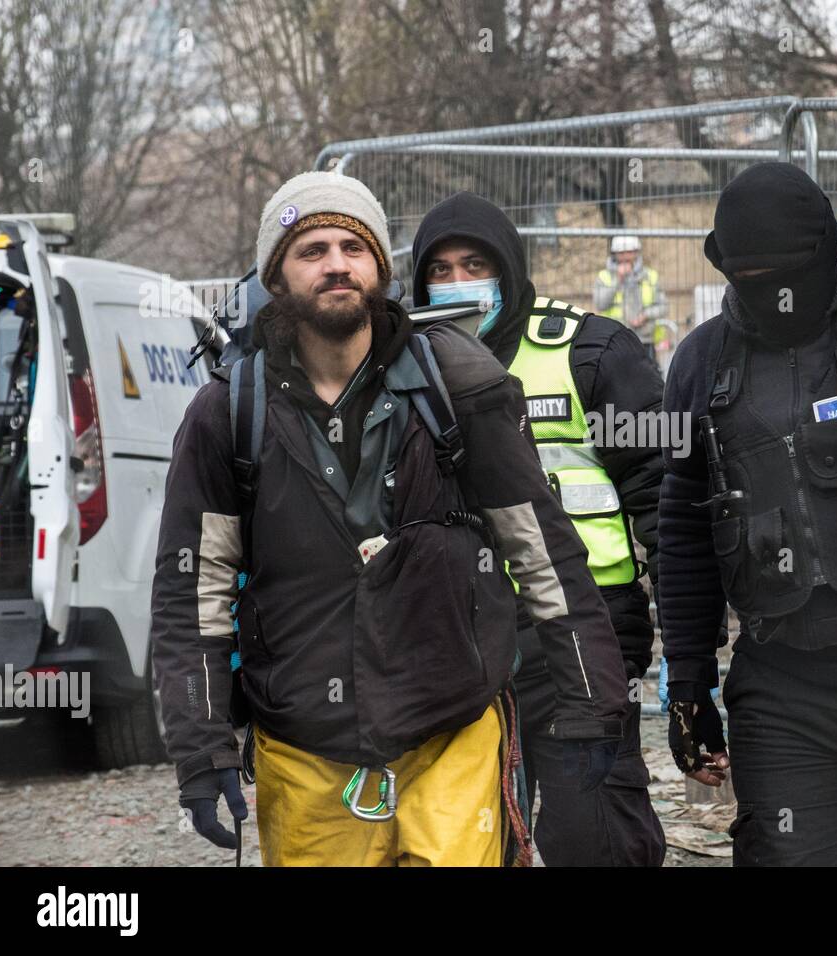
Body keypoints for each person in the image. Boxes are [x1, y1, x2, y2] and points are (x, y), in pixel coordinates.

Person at [151, 172, 629, 867]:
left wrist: (592, 702)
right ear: (277, 278)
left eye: (353, 246)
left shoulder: (460, 387)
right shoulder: (228, 414)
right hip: (305, 748)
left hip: (451, 728)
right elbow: (193, 594)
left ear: (379, 268)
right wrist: (200, 747)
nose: (337, 264)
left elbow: (542, 555)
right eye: (311, 249)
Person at [658, 162, 837, 867]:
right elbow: (682, 526)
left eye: (785, 273)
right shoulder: (702, 364)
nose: (772, 292)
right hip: (782, 684)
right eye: (751, 276)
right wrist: (688, 678)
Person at [411, 192, 667, 866]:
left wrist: (687, 653)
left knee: (594, 834)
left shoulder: (590, 350)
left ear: (510, 265)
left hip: (585, 631)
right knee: (473, 838)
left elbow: (664, 497)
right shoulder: (400, 371)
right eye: (439, 270)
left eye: (475, 263)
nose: (459, 283)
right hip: (455, 642)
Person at [594, 235, 667, 363]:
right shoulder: (604, 276)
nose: (626, 256)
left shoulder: (650, 276)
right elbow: (600, 304)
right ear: (615, 254)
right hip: (615, 339)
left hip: (644, 339)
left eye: (630, 252)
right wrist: (618, 279)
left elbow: (663, 307)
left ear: (636, 253)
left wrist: (645, 315)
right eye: (621, 253)